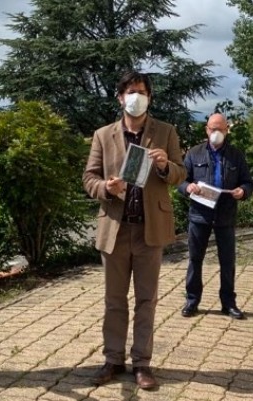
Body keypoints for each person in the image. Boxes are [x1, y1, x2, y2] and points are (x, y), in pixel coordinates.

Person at [82, 71, 186, 390]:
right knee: (114, 300)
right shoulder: (103, 135)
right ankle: (113, 359)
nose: (136, 97)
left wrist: (165, 166)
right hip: (115, 228)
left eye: (141, 91)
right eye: (130, 91)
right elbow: (89, 178)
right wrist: (106, 187)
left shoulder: (165, 131)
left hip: (149, 230)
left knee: (146, 300)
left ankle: (142, 363)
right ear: (120, 97)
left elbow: (180, 174)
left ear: (149, 97)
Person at [177, 113, 253, 320]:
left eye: (220, 129)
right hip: (199, 215)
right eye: (213, 129)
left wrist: (243, 191)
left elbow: (248, 182)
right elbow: (180, 180)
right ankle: (192, 301)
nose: (216, 133)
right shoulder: (194, 153)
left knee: (227, 262)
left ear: (227, 130)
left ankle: (228, 303)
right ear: (206, 130)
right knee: (195, 259)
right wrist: (188, 187)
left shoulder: (236, 155)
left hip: (225, 215)